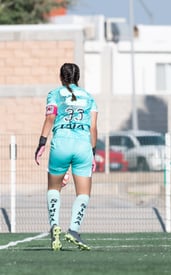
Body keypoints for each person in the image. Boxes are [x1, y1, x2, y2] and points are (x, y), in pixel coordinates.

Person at [35, 63, 98, 251]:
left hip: (61, 143)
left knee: (54, 188)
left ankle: (55, 226)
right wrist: (92, 153)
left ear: (61, 77)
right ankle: (74, 230)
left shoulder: (54, 94)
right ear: (78, 77)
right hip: (82, 146)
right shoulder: (89, 97)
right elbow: (93, 128)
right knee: (83, 193)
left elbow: (50, 118)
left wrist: (42, 143)